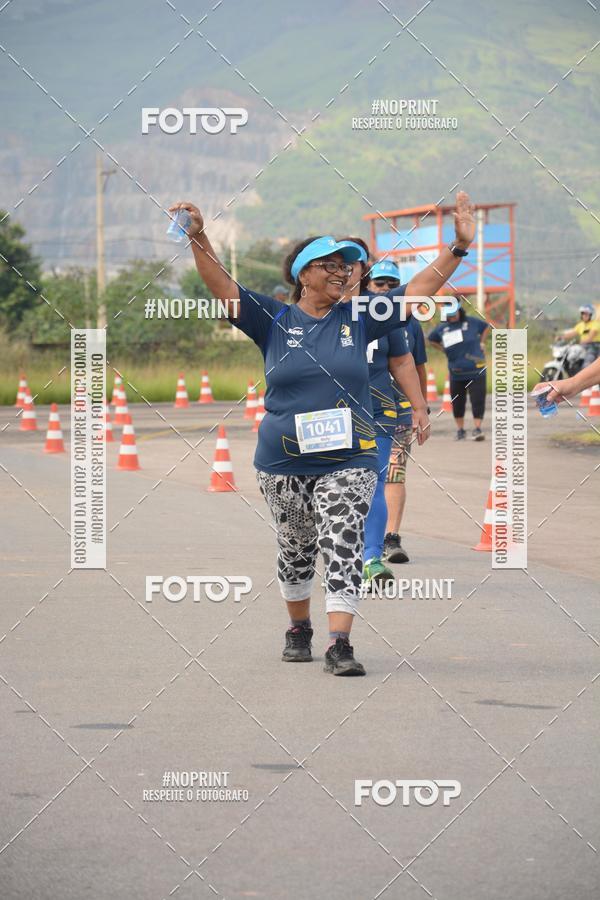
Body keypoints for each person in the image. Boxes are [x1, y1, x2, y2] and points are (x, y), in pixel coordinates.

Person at [169, 191, 475, 677]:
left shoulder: (360, 316)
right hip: (283, 461)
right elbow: (222, 285)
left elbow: (418, 289)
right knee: (296, 547)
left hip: (349, 458)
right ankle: (299, 629)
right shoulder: (273, 318)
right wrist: (200, 236)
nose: (342, 272)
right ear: (303, 274)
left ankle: (339, 643)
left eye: (346, 266)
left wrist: (458, 246)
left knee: (343, 538)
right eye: (329, 265)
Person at [339, 249, 428, 587]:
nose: (386, 289)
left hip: (381, 410)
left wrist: (419, 407)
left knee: (379, 480)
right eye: (381, 284)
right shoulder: (317, 310)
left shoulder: (389, 314)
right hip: (329, 414)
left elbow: (406, 363)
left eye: (352, 265)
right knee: (332, 484)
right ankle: (338, 550)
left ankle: (374, 554)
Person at [428, 300, 490, 440]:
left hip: (476, 370)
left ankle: (477, 429)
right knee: (457, 402)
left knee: (478, 400)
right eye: (450, 314)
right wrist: (443, 349)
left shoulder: (472, 322)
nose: (453, 316)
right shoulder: (442, 328)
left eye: (455, 313)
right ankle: (460, 430)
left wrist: (482, 343)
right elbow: (431, 340)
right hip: (456, 372)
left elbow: (486, 327)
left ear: (459, 311)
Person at [560, 304, 600, 369]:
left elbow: (590, 337)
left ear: (591, 315)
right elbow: (572, 333)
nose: (584, 315)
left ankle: (586, 372)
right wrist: (561, 337)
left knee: (587, 364)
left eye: (586, 314)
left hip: (594, 347)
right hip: (583, 347)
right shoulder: (581, 325)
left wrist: (579, 342)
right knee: (571, 358)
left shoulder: (596, 324)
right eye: (583, 313)